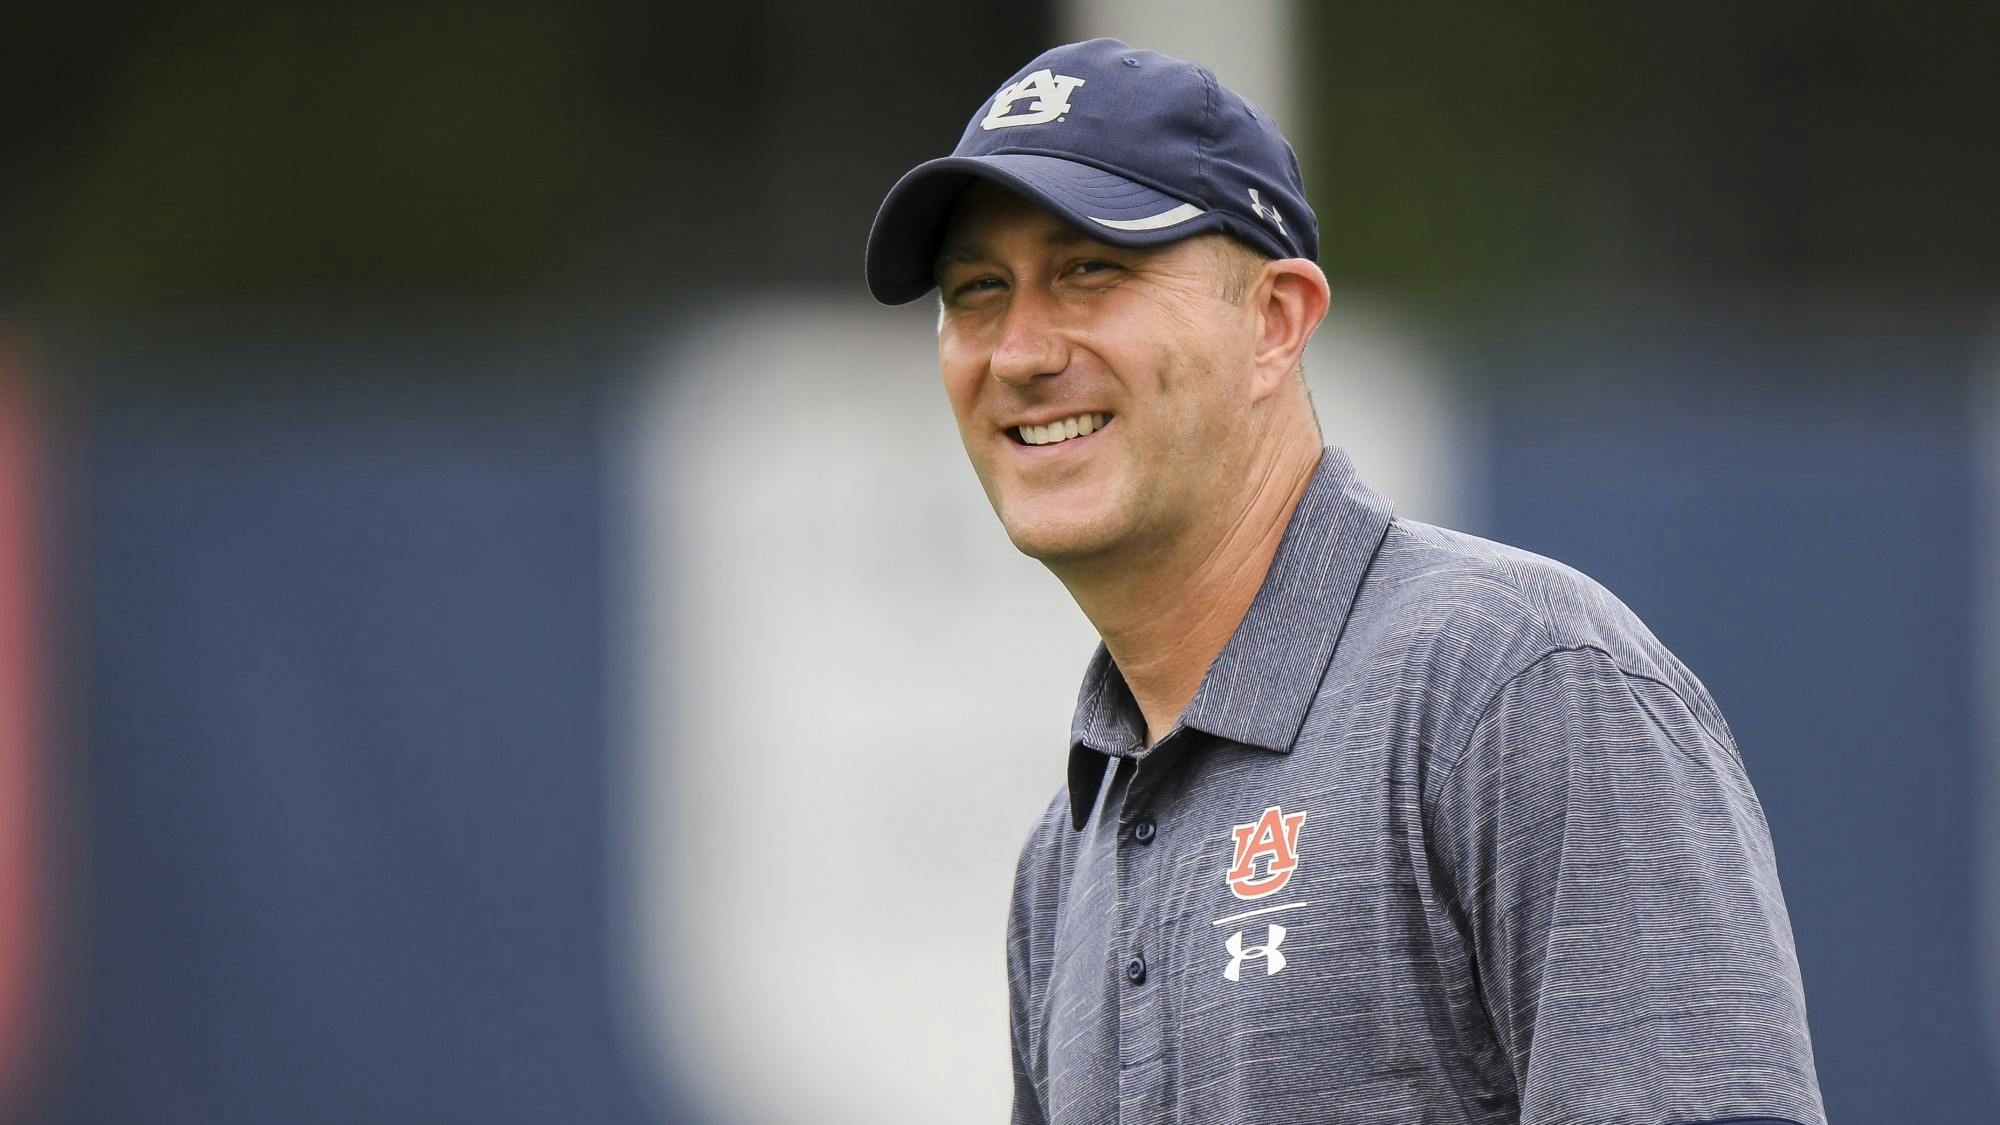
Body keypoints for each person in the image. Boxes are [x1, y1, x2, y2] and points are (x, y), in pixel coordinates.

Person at [865, 38, 1823, 1125]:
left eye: (1091, 270)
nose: (1020, 351)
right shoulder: (1064, 854)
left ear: (1272, 322)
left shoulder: (1514, 682)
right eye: (975, 290)